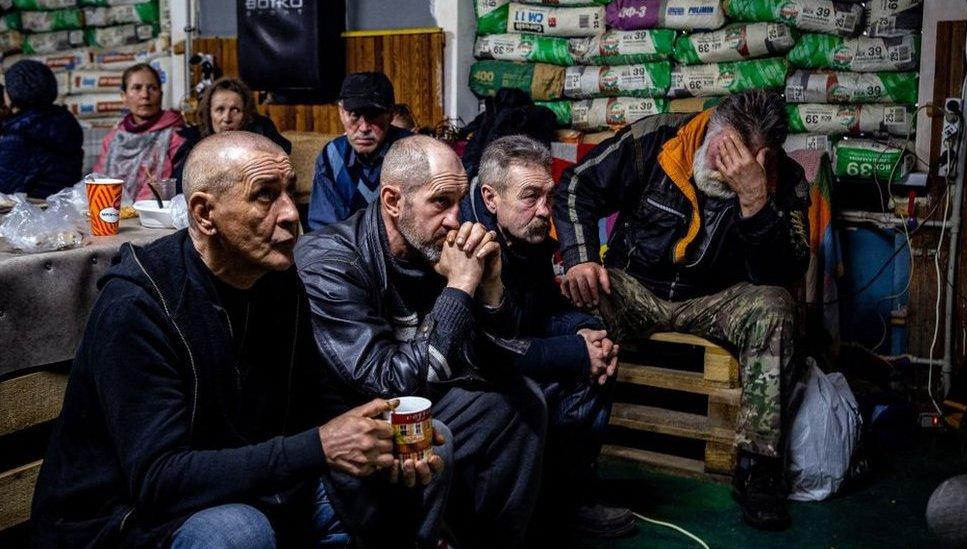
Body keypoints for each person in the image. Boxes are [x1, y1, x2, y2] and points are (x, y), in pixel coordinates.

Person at [32, 131, 449, 548]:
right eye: (265, 196)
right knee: (237, 531)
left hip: (253, 485)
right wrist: (319, 447)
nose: (290, 214)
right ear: (204, 213)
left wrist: (371, 436)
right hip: (127, 517)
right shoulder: (139, 307)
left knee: (425, 444)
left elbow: (310, 402)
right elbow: (159, 480)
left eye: (290, 192)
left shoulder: (278, 281)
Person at [554, 90, 811, 531]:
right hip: (636, 286)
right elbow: (576, 186)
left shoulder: (783, 179)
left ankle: (758, 469)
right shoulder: (656, 138)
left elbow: (784, 271)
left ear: (763, 157)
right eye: (721, 150)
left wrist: (754, 203)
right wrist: (580, 257)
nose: (722, 167)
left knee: (775, 306)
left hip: (715, 297)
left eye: (738, 162)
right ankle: (570, 469)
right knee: (575, 294)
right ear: (712, 125)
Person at [296, 135, 547, 548]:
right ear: (393, 201)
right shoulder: (332, 259)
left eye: (459, 202)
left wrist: (491, 288)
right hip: (351, 417)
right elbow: (387, 385)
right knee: (433, 434)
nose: (456, 219)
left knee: (520, 402)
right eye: (440, 202)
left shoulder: (432, 248)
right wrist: (461, 287)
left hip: (423, 394)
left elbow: (495, 365)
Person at [460, 135, 636, 540]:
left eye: (548, 195)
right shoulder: (466, 241)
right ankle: (532, 501)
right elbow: (491, 350)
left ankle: (568, 495)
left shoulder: (526, 233)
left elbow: (541, 312)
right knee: (566, 367)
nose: (544, 211)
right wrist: (576, 350)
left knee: (597, 345)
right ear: (490, 198)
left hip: (512, 347)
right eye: (530, 197)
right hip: (471, 372)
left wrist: (584, 332)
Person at [307, 71, 412, 229]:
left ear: (390, 114)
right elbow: (324, 229)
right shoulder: (332, 156)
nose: (364, 128)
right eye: (355, 115)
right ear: (341, 113)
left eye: (374, 115)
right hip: (345, 250)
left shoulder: (414, 152)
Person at [172, 76, 292, 192]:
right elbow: (179, 186)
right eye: (220, 109)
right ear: (209, 114)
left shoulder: (262, 131)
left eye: (235, 110)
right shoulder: (196, 141)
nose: (227, 118)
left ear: (245, 114)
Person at [92, 62, 185, 202]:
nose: (145, 95)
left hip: (154, 215)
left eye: (152, 88)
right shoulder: (113, 139)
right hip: (110, 213)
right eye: (137, 88)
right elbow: (99, 180)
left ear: (161, 94)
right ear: (124, 96)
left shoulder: (177, 136)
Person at [0, 59, 83, 198]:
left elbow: (4, 189)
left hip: (31, 214)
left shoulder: (21, 134)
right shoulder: (64, 121)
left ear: (14, 92)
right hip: (62, 209)